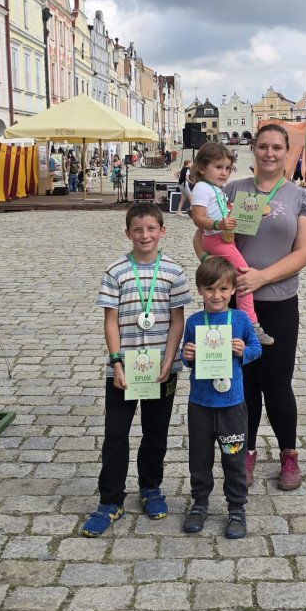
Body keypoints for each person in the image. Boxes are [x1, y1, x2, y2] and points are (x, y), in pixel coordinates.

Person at [196, 124, 306, 491]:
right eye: (263, 146)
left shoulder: (301, 197)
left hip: (278, 302)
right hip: (234, 306)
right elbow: (202, 238)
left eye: (277, 147)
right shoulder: (231, 190)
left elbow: (304, 252)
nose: (269, 153)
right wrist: (221, 278)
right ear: (254, 150)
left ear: (287, 152)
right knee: (244, 383)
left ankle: (288, 455)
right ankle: (245, 453)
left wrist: (261, 277)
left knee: (278, 383)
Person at [82, 202, 191, 535]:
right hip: (124, 369)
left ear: (162, 231)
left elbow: (177, 320)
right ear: (128, 233)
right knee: (116, 435)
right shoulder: (116, 271)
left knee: (156, 432)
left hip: (161, 368)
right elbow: (110, 320)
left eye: (151, 229)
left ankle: (151, 488)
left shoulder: (173, 271)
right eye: (138, 230)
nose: (145, 235)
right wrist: (116, 362)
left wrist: (169, 360)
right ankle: (110, 501)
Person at [181, 256, 262, 539]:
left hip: (232, 404)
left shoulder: (239, 320)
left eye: (223, 289)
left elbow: (256, 348)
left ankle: (237, 508)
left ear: (233, 290)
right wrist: (187, 356)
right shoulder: (194, 322)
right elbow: (186, 356)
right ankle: (199, 503)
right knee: (199, 458)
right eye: (210, 289)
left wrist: (243, 351)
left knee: (234, 458)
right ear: (200, 290)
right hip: (201, 404)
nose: (217, 295)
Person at [190, 142, 274, 346]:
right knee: (244, 277)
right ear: (202, 168)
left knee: (232, 278)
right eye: (218, 167)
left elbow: (222, 211)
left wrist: (248, 214)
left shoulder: (215, 189)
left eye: (227, 168)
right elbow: (198, 218)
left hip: (223, 238)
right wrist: (218, 224)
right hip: (217, 240)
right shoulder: (202, 188)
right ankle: (251, 322)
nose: (224, 173)